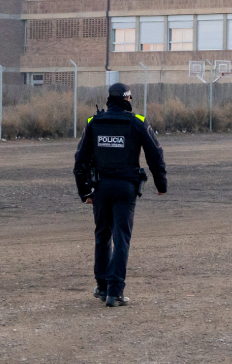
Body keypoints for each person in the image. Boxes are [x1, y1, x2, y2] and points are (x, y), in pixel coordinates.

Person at [73, 83, 167, 307]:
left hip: (100, 188)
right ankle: (115, 292)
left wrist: (84, 191)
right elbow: (156, 155)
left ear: (108, 99)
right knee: (121, 238)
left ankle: (103, 287)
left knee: (102, 236)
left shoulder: (94, 122)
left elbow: (80, 161)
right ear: (127, 99)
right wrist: (161, 184)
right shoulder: (137, 123)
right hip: (125, 189)